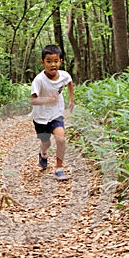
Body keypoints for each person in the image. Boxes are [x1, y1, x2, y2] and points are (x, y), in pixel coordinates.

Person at [30, 44, 74, 180]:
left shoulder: (64, 75)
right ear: (42, 62)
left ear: (60, 61)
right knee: (46, 142)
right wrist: (47, 100)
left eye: (56, 61)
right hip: (41, 117)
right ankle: (43, 153)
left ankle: (59, 169)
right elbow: (33, 101)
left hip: (56, 114)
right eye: (49, 61)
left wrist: (71, 99)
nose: (52, 64)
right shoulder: (39, 80)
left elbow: (70, 82)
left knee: (60, 139)